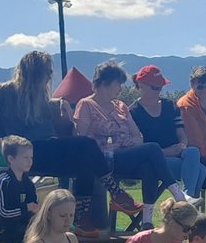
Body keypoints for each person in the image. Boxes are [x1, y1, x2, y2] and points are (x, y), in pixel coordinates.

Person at [0, 50, 110, 233]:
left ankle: (82, 218)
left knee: (86, 162)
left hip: (46, 152)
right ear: (35, 72)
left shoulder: (41, 95)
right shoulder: (7, 90)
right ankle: (114, 192)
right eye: (47, 72)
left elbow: (49, 105)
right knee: (87, 144)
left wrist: (60, 101)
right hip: (26, 152)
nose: (50, 76)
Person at [73, 61, 174, 227]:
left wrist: (125, 142)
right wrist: (120, 142)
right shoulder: (86, 104)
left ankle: (146, 221)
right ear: (104, 83)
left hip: (124, 157)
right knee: (153, 148)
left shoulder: (121, 106)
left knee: (148, 165)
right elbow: (82, 140)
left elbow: (138, 137)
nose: (120, 88)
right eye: (118, 84)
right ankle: (178, 194)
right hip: (103, 160)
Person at [130, 64, 206, 200]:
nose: (158, 91)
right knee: (200, 170)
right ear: (141, 85)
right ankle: (186, 201)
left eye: (160, 87)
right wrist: (164, 152)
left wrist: (181, 146)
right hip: (153, 159)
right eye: (155, 87)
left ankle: (185, 199)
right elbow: (137, 146)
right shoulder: (133, 112)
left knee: (193, 151)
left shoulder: (170, 106)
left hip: (177, 153)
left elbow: (181, 134)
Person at [0, 135, 40, 243]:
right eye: (25, 157)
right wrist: (26, 208)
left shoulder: (28, 183)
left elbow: (34, 205)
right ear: (11, 159)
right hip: (7, 230)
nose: (29, 161)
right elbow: (4, 212)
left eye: (31, 157)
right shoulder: (3, 181)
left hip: (25, 228)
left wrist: (35, 208)